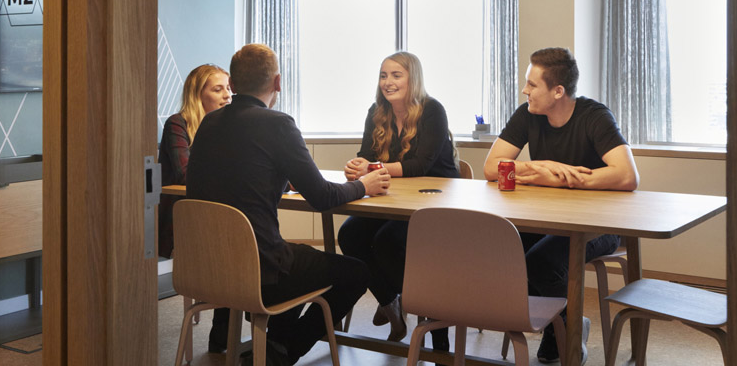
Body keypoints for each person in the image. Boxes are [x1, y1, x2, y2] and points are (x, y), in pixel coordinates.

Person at [187, 43, 391, 366]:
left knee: (297, 258)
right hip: (260, 274)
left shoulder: (208, 125)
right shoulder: (278, 124)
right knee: (356, 272)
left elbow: (238, 175)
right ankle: (282, 351)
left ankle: (274, 345)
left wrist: (282, 177)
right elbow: (323, 197)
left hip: (208, 269)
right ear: (278, 83)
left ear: (233, 84)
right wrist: (362, 186)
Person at [483, 47, 639, 364]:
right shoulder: (527, 114)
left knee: (541, 263)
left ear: (557, 91)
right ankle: (568, 322)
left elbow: (627, 175)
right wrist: (542, 167)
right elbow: (491, 167)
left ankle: (565, 330)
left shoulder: (594, 116)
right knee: (502, 249)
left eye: (532, 84)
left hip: (599, 225)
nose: (524, 90)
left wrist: (558, 179)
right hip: (546, 220)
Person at [338, 51, 458, 349]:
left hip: (436, 202)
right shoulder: (376, 111)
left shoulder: (432, 110)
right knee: (349, 235)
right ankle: (390, 300)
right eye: (383, 76)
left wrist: (373, 168)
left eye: (396, 75)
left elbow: (421, 165)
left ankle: (435, 325)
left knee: (389, 241)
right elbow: (366, 155)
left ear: (412, 79)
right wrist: (357, 166)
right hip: (394, 200)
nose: (387, 82)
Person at [157, 63, 232, 351]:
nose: (227, 95)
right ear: (197, 94)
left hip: (218, 215)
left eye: (228, 88)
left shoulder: (230, 124)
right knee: (239, 250)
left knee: (246, 243)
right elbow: (186, 174)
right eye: (218, 89)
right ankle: (228, 332)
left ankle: (234, 332)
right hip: (185, 222)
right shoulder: (178, 124)